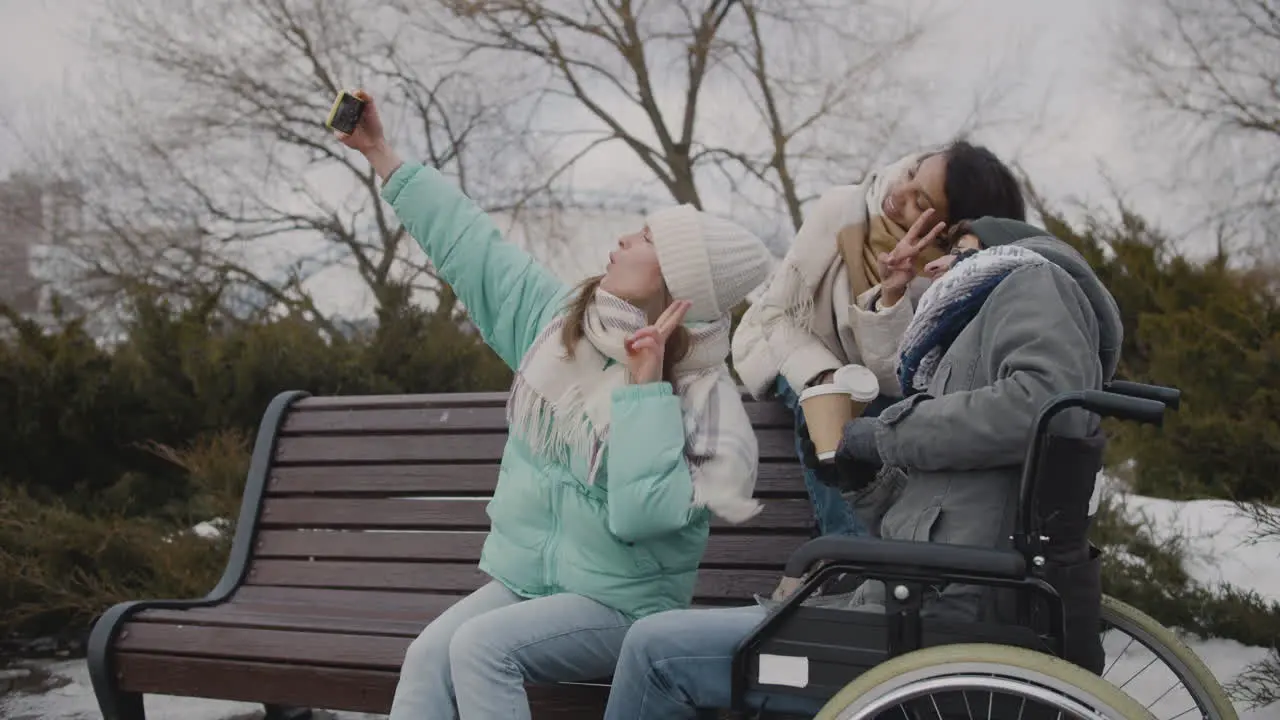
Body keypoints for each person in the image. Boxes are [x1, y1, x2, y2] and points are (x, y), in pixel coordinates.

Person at [334, 90, 774, 720]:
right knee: (430, 653)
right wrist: (382, 154)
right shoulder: (562, 326)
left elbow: (641, 516)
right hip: (533, 584)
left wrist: (645, 388)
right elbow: (473, 248)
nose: (624, 238)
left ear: (677, 284)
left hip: (623, 605)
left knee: (482, 648)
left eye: (646, 238)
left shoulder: (705, 400)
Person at [602, 216, 1124, 719]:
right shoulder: (967, 345)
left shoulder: (1032, 277)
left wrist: (884, 433)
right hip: (916, 601)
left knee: (655, 651)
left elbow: (1041, 404)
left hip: (937, 619)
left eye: (959, 252)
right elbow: (937, 513)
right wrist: (861, 477)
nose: (938, 268)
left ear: (1004, 247)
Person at [731, 142, 1025, 545]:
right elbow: (778, 315)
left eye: (919, 200)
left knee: (888, 416)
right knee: (831, 404)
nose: (897, 194)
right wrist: (824, 372)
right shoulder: (843, 210)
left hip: (874, 381)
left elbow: (896, 379)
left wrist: (892, 296)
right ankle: (845, 560)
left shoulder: (955, 277)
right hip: (787, 345)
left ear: (954, 229)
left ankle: (894, 557)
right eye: (910, 174)